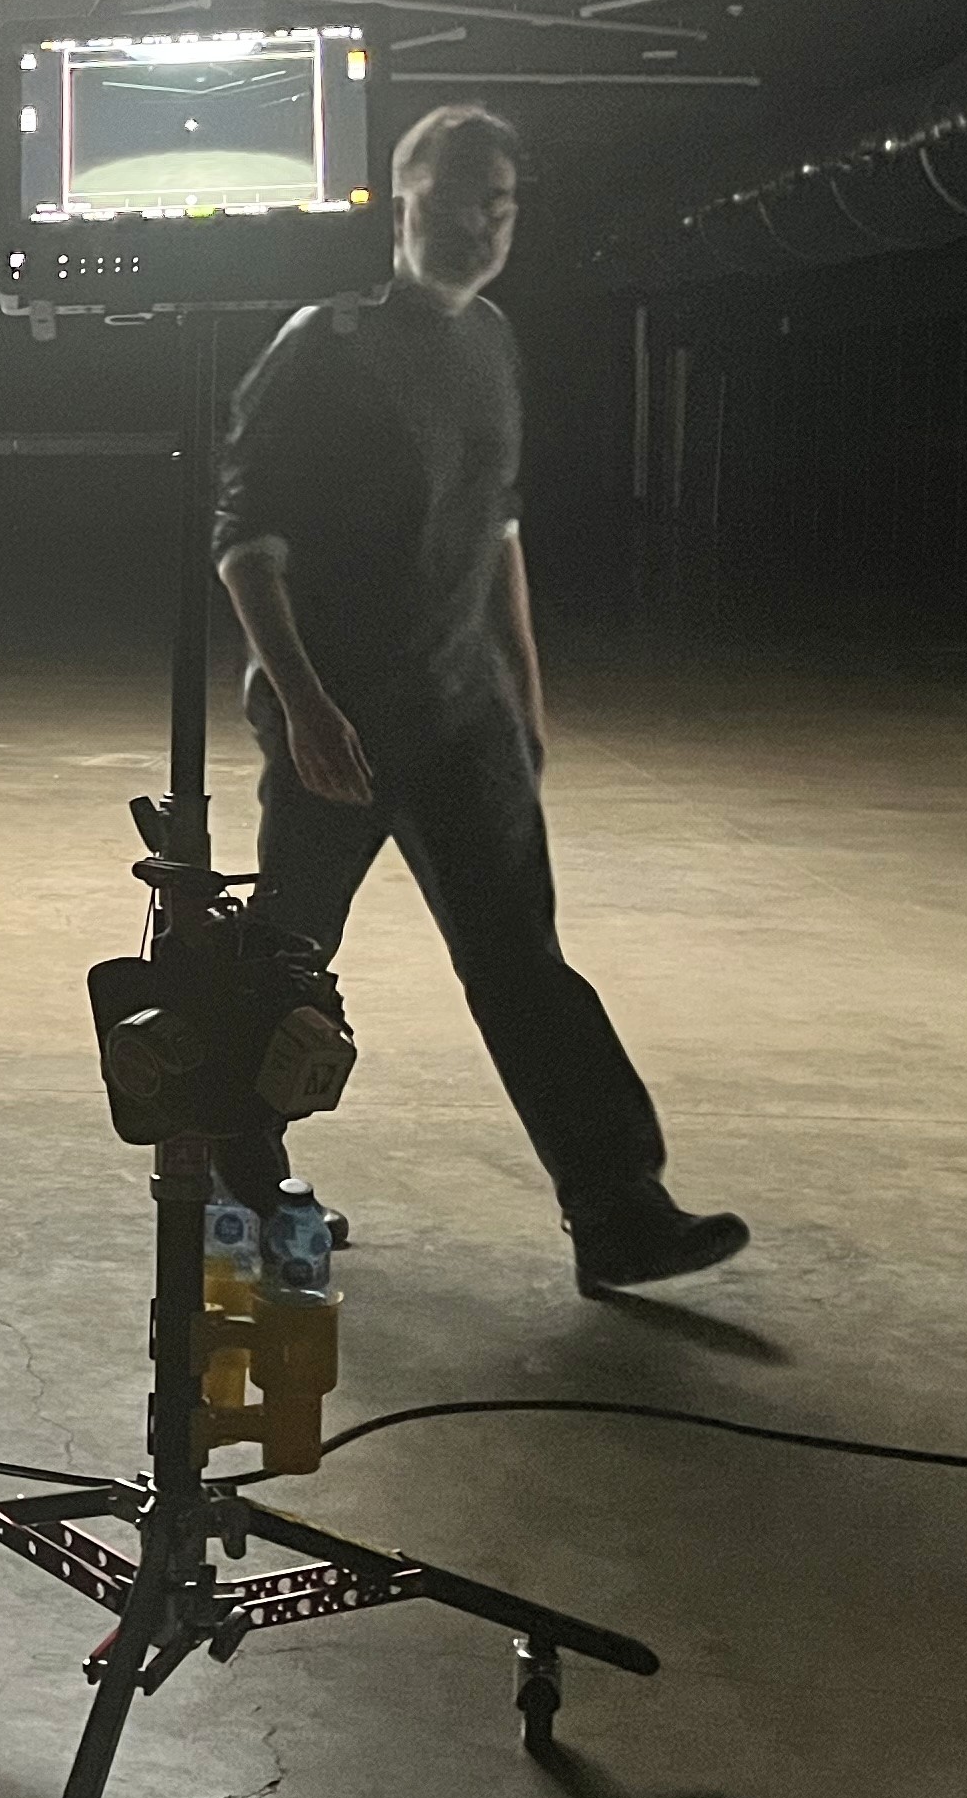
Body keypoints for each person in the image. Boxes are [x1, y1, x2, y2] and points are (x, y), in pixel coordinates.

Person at [211, 102, 747, 1293]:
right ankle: (238, 1183)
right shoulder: (324, 347)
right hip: (339, 727)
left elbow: (498, 534)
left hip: (465, 722)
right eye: (456, 203)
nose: (480, 227)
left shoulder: (493, 341)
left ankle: (619, 1211)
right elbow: (247, 546)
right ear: (400, 205)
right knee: (288, 965)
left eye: (499, 206)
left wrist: (526, 701)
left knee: (522, 964)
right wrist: (305, 708)